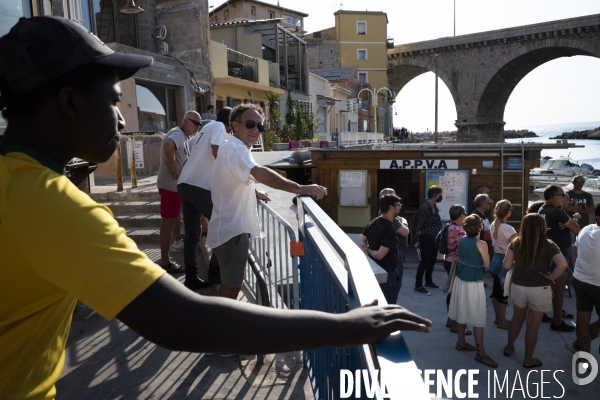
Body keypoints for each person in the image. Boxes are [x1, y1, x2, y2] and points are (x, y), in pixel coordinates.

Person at [0, 16, 433, 399]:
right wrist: (344, 325)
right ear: (70, 102)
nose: (121, 120)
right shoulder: (53, 206)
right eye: (113, 100)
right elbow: (183, 320)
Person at [207, 103, 329, 301]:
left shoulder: (233, 147)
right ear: (235, 125)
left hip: (229, 229)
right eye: (250, 124)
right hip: (232, 232)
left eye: (260, 126)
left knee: (230, 287)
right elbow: (259, 172)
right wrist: (301, 188)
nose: (256, 130)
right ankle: (216, 327)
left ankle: (218, 323)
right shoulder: (235, 148)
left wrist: (253, 191)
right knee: (230, 290)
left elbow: (235, 178)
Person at [503, 214, 568, 368]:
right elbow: (563, 264)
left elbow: (506, 265)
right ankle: (528, 359)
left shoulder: (516, 242)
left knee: (517, 319)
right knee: (533, 325)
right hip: (540, 288)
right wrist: (551, 276)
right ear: (542, 226)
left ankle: (509, 347)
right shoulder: (549, 244)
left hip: (519, 287)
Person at [177, 107, 232, 289]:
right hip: (198, 185)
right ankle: (215, 273)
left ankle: (191, 278)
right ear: (231, 122)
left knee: (193, 234)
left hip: (185, 183)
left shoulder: (206, 128)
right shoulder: (218, 127)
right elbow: (216, 150)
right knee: (223, 223)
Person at [447, 215, 496, 368]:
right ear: (479, 227)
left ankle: (461, 342)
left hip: (460, 280)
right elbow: (487, 264)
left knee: (462, 310)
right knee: (478, 317)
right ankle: (481, 353)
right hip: (474, 282)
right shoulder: (481, 244)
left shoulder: (462, 240)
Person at [156, 110, 202, 272]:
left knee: (173, 219)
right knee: (168, 222)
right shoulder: (177, 133)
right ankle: (165, 261)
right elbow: (168, 144)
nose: (198, 127)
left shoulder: (183, 136)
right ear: (186, 121)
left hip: (173, 186)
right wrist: (174, 167)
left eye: (200, 124)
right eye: (195, 123)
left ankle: (173, 248)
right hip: (171, 186)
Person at [538, 184, 580, 332]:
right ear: (555, 197)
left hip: (545, 255)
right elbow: (577, 229)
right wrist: (569, 225)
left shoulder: (541, 210)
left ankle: (542, 314)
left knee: (547, 288)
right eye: (562, 195)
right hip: (558, 256)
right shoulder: (557, 213)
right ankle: (557, 321)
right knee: (559, 290)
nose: (564, 198)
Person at [566, 204, 600, 354]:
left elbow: (574, 252)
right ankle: (579, 347)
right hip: (596, 284)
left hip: (580, 280)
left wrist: (578, 271)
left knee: (582, 318)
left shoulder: (586, 229)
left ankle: (581, 351)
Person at [359, 194, 402, 305]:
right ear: (391, 207)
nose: (400, 207)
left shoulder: (375, 221)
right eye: (398, 205)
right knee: (387, 305)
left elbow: (361, 238)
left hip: (376, 270)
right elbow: (379, 255)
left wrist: (365, 249)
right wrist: (368, 251)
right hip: (387, 274)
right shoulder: (389, 228)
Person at [487, 200, 518, 330]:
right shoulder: (508, 228)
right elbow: (518, 245)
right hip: (506, 261)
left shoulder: (493, 224)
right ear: (508, 212)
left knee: (496, 291)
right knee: (503, 293)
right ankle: (502, 321)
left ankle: (498, 318)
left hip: (495, 259)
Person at [378, 188, 410, 296]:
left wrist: (402, 221)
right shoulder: (388, 215)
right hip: (394, 253)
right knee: (394, 282)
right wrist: (404, 223)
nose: (398, 204)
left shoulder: (390, 214)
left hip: (397, 251)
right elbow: (404, 231)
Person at [413, 185, 443, 295]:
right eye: (439, 194)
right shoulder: (424, 208)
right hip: (426, 238)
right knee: (424, 262)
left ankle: (429, 282)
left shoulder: (434, 207)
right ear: (434, 195)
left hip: (434, 239)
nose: (441, 196)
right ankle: (418, 285)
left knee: (432, 261)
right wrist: (417, 240)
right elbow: (419, 225)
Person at [443, 204, 467, 335]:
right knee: (457, 293)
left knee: (451, 291)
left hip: (447, 260)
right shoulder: (460, 231)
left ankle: (450, 319)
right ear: (461, 216)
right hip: (456, 262)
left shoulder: (447, 226)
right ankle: (455, 324)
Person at [471, 193, 493, 259]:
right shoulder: (475, 217)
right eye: (489, 202)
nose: (490, 203)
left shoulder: (482, 214)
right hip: (479, 251)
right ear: (482, 204)